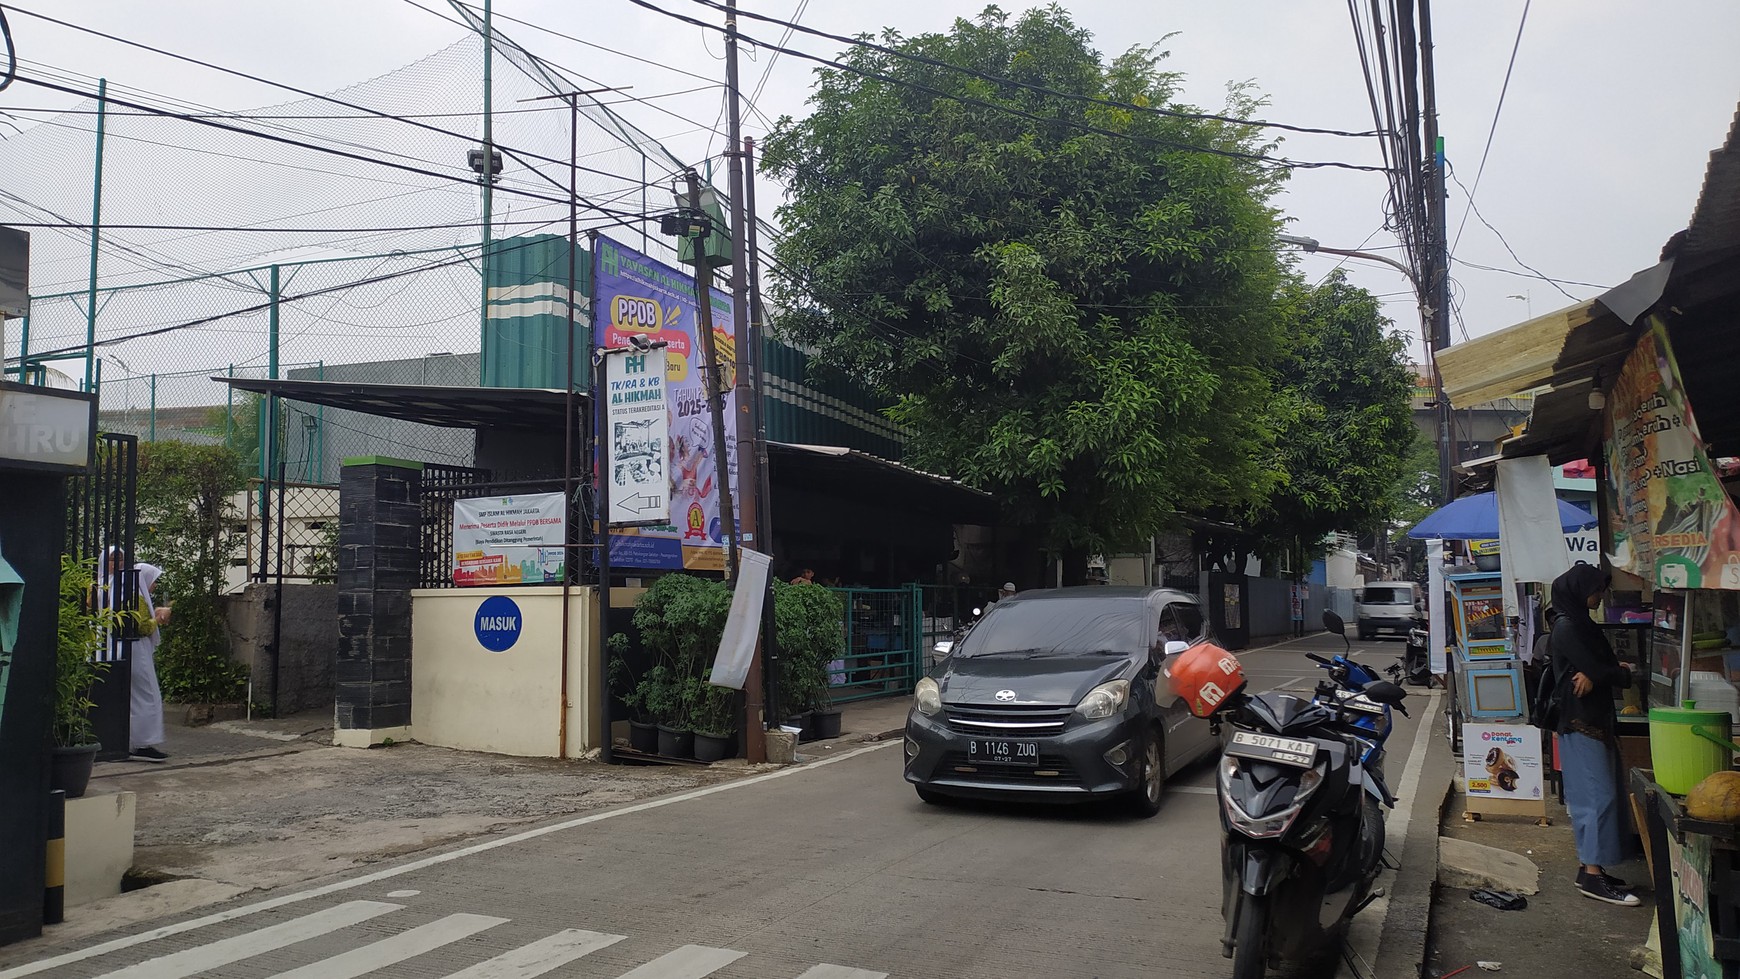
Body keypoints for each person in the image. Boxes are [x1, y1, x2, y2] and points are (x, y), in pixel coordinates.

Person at [1547, 562, 1639, 907]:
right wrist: (1613, 673)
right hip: (1580, 722)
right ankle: (1592, 873)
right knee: (1596, 798)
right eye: (1597, 589)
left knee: (1604, 795)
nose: (1600, 596)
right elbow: (1606, 668)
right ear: (1579, 589)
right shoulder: (1568, 627)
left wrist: (1601, 673)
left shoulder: (1581, 625)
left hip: (1594, 720)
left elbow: (1600, 666)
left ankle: (1593, 868)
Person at [104, 548, 171, 763]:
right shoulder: (136, 597)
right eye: (154, 580)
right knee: (147, 695)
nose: (155, 586)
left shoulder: (109, 589)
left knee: (127, 696)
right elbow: (141, 628)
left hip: (112, 647)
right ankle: (142, 742)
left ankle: (128, 741)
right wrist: (159, 620)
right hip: (136, 649)